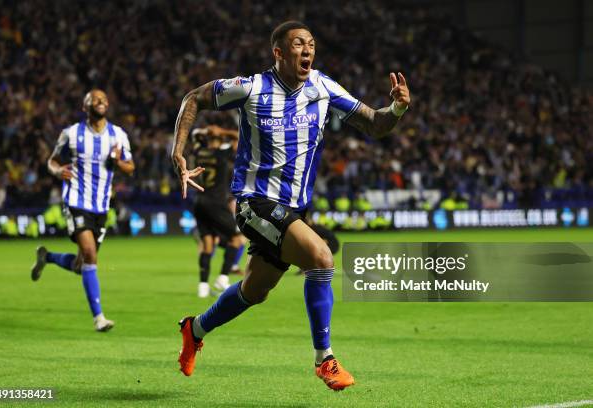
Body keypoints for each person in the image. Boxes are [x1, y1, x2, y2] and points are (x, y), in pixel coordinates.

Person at [171, 21, 410, 390]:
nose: (307, 50)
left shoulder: (323, 86)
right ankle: (325, 359)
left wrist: (395, 108)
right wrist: (178, 151)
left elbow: (375, 125)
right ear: (279, 53)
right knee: (322, 257)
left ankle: (195, 328)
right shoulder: (251, 88)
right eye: (299, 44)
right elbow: (194, 98)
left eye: (311, 44)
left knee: (254, 291)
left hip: (292, 210)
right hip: (254, 203)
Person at [30, 89, 135, 332]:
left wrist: (118, 163)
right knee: (90, 254)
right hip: (76, 200)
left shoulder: (118, 135)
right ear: (85, 106)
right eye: (95, 99)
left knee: (81, 265)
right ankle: (99, 318)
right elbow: (52, 160)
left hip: (101, 206)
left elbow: (130, 166)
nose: (101, 101)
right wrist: (57, 171)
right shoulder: (71, 133)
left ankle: (47, 257)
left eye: (105, 99)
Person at [190, 125, 247, 297]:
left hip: (199, 202)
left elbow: (195, 135)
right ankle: (222, 278)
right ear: (221, 141)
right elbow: (239, 137)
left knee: (207, 244)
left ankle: (203, 287)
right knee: (238, 239)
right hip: (217, 202)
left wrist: (206, 131)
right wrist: (222, 131)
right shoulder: (222, 154)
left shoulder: (199, 152)